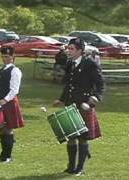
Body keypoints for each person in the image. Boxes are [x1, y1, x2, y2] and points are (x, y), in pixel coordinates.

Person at [53, 38, 105, 176]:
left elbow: (100, 84)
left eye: (72, 49)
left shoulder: (90, 64)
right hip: (71, 104)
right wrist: (61, 99)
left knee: (83, 137)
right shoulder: (70, 64)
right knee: (71, 136)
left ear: (80, 50)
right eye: (68, 48)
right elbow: (68, 85)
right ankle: (71, 166)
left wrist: (95, 97)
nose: (68, 51)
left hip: (84, 104)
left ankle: (80, 168)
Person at [0, 46, 25, 163]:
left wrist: (5, 100)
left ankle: (8, 156)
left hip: (8, 103)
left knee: (8, 129)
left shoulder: (15, 71)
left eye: (7, 56)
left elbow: (14, 89)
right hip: (0, 102)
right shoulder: (1, 69)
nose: (4, 59)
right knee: (2, 128)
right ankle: (3, 154)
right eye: (3, 56)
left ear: (13, 57)